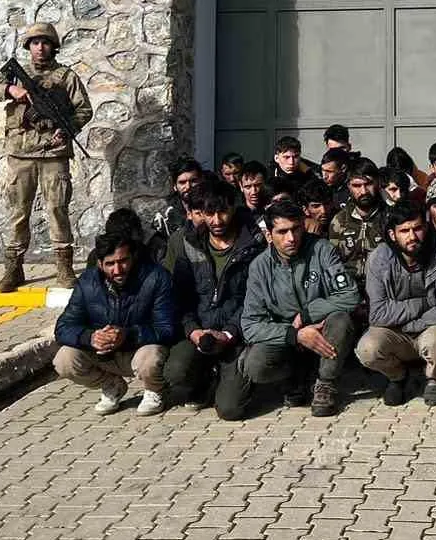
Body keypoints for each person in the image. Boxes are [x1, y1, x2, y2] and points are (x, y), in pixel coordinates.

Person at [0, 22, 93, 292]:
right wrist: (9, 91)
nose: (40, 48)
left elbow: (83, 110)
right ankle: (13, 268)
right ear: (28, 46)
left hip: (54, 152)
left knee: (57, 209)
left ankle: (63, 268)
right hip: (21, 152)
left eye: (45, 42)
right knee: (18, 212)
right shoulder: (16, 76)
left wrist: (67, 129)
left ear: (54, 46)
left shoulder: (66, 77)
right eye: (35, 43)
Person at [238, 199, 360, 417]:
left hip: (322, 329)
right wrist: (295, 335)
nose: (291, 238)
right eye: (282, 232)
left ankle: (326, 383)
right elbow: (250, 325)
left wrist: (307, 314)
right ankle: (293, 380)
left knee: (341, 320)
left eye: (296, 229)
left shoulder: (321, 250)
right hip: (288, 337)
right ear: (269, 235)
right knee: (254, 365)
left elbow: (350, 295)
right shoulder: (259, 267)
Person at [53, 220, 177, 416]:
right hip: (104, 354)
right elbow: (63, 327)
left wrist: (126, 335)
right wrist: (91, 337)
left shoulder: (156, 278)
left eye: (123, 261)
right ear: (100, 264)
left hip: (139, 350)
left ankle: (154, 390)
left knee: (151, 358)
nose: (118, 270)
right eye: (110, 264)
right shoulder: (87, 282)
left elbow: (167, 329)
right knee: (64, 359)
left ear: (133, 257)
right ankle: (112, 385)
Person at [162, 179, 260, 418]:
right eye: (209, 213)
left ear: (233, 208)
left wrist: (228, 334)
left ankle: (232, 376)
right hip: (200, 331)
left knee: (230, 409)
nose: (217, 221)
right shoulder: (188, 244)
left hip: (236, 335)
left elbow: (254, 300)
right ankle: (204, 378)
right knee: (175, 372)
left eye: (222, 212)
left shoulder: (253, 245)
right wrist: (193, 331)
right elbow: (181, 298)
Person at [356, 202, 436, 406]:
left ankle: (434, 377)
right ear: (393, 234)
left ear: (426, 227)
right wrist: (422, 303)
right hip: (394, 330)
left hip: (430, 327)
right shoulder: (379, 258)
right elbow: (377, 314)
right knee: (367, 349)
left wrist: (414, 324)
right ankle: (398, 377)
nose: (412, 236)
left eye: (418, 228)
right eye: (404, 231)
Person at [328, 158, 387, 283]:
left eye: (368, 184)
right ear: (349, 186)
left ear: (377, 182)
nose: (363, 191)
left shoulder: (390, 217)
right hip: (349, 288)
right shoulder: (339, 221)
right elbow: (332, 263)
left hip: (382, 286)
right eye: (357, 185)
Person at [150, 157, 205, 260]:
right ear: (174, 186)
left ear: (202, 181)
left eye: (193, 181)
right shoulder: (164, 218)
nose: (188, 187)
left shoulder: (213, 211)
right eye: (182, 182)